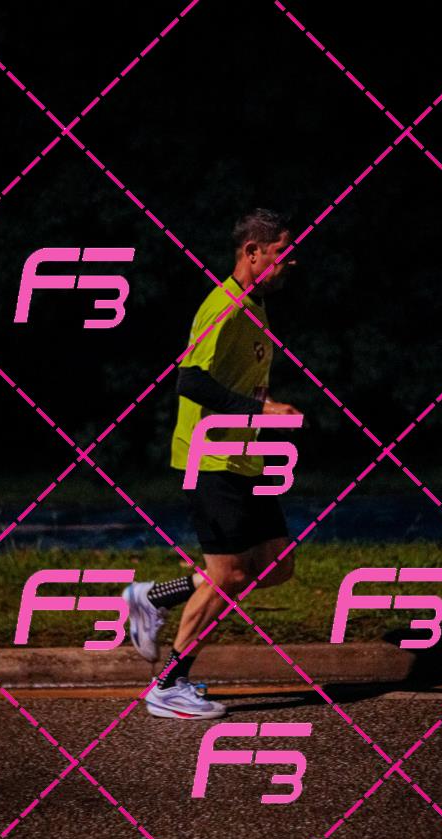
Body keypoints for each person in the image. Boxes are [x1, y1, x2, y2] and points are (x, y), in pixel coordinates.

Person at [123, 208, 302, 719]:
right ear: (252, 252)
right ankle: (167, 686)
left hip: (244, 458)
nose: (289, 262)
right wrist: (260, 411)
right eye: (281, 252)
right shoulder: (223, 305)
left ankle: (153, 598)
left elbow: (236, 382)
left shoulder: (255, 305)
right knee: (230, 576)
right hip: (211, 458)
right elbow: (191, 381)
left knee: (276, 564)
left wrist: (263, 410)